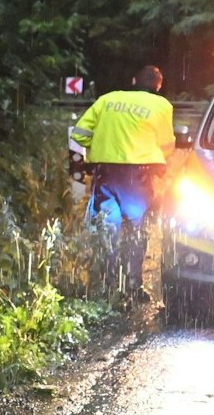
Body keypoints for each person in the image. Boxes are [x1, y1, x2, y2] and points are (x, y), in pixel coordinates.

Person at [71, 66, 175, 298]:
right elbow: (167, 145)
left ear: (133, 79)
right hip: (138, 177)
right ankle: (133, 285)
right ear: (158, 86)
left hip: (105, 174)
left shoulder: (107, 99)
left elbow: (79, 134)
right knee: (138, 230)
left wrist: (101, 146)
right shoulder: (161, 106)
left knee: (107, 228)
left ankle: (107, 283)